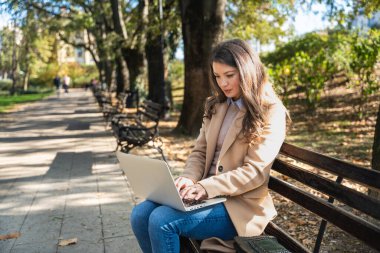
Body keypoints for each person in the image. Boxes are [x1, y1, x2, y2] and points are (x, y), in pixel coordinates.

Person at [130, 39, 288, 253]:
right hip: (206, 196)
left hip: (238, 205)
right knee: (140, 215)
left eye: (229, 75)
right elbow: (200, 152)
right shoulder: (216, 105)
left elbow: (254, 173)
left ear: (247, 70)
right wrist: (189, 178)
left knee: (161, 221)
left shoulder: (270, 111)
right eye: (217, 76)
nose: (223, 83)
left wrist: (206, 187)